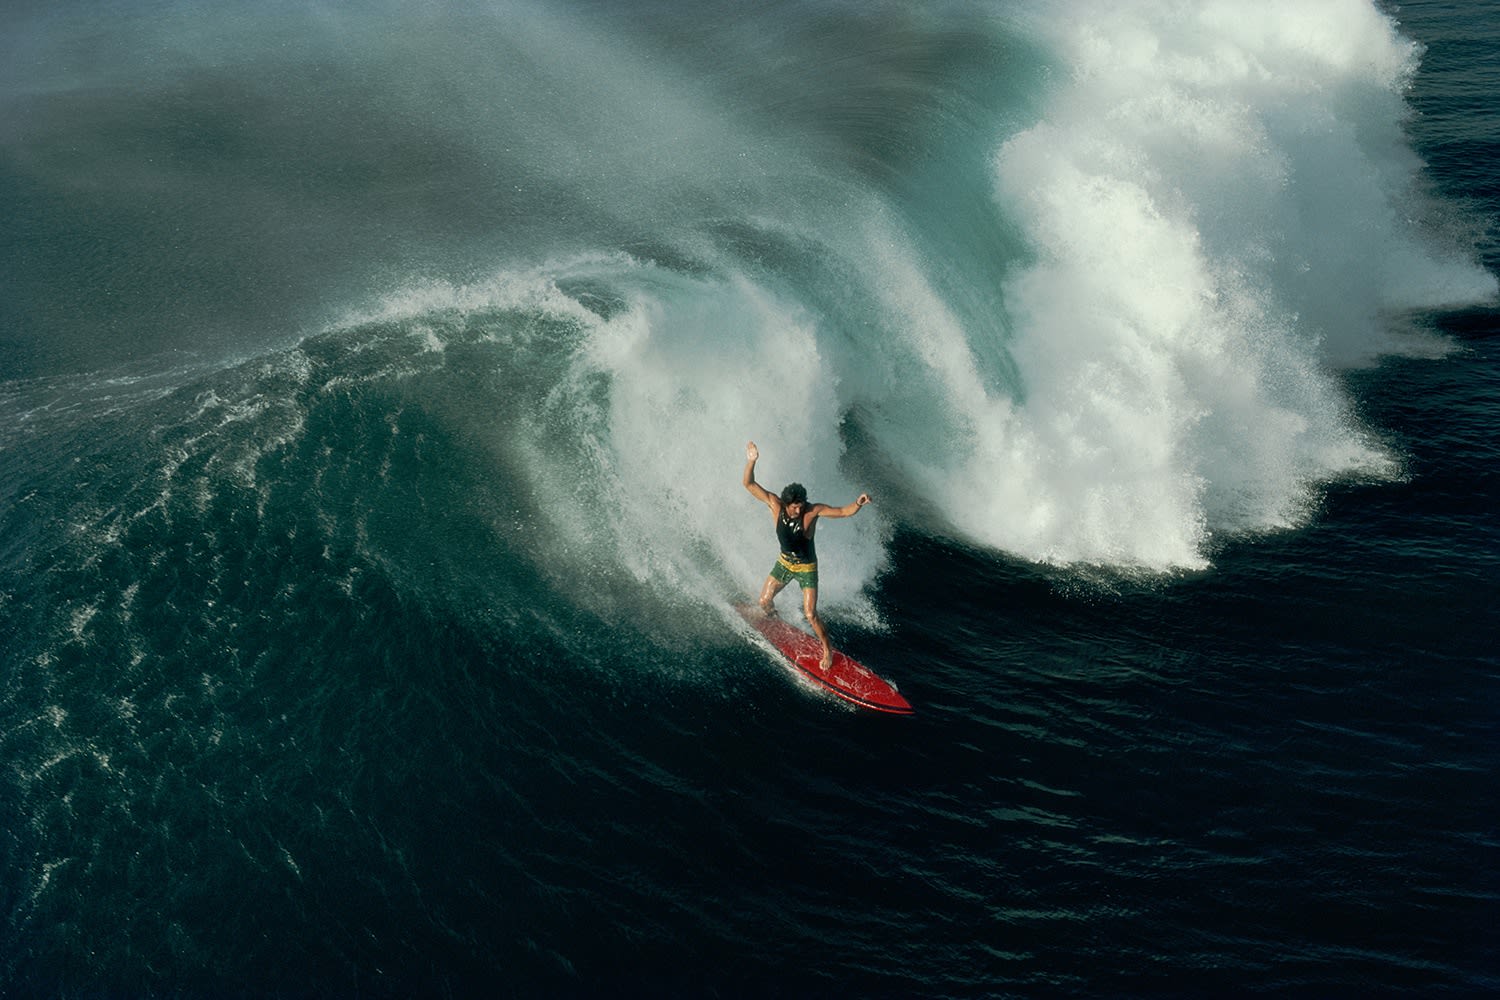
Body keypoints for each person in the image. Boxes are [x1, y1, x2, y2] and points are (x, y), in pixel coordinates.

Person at [742, 440, 871, 671]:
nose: (799, 510)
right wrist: (752, 461)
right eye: (795, 507)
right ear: (787, 503)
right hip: (784, 562)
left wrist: (858, 504)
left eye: (801, 505)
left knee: (811, 614)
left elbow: (842, 512)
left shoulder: (812, 512)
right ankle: (773, 618)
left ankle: (827, 649)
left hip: (807, 567)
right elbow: (749, 484)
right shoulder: (775, 505)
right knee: (763, 601)